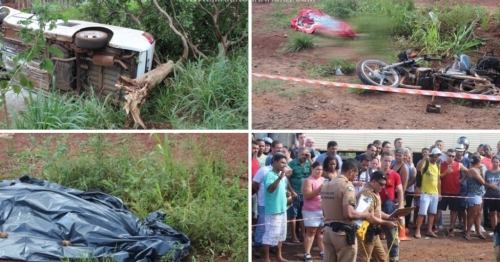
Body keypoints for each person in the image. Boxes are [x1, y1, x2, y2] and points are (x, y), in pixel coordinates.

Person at [321, 159, 373, 262]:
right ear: (351, 171)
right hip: (342, 233)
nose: (355, 178)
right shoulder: (347, 186)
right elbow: (348, 213)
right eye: (356, 175)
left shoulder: (327, 185)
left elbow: (324, 211)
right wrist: (364, 215)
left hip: (327, 231)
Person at [356, 171, 398, 262]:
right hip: (366, 231)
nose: (383, 187)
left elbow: (377, 212)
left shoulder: (375, 191)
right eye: (381, 184)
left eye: (384, 185)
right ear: (374, 181)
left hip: (373, 232)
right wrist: (386, 223)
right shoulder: (367, 194)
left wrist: (390, 217)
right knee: (363, 258)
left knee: (381, 259)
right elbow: (369, 217)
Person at [262, 154, 292, 262]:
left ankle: (279, 257)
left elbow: (278, 190)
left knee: (280, 235)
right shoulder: (269, 175)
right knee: (269, 235)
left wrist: (286, 193)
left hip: (282, 209)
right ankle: (266, 259)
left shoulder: (281, 176)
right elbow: (270, 189)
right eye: (282, 162)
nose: (284, 165)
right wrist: (280, 177)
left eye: (285, 163)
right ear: (274, 162)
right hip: (273, 211)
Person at [437, 149, 468, 237]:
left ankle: (451, 228)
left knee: (453, 211)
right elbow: (437, 177)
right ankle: (436, 226)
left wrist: (462, 180)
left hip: (455, 191)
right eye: (450, 155)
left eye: (453, 156)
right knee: (438, 210)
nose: (451, 158)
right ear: (446, 155)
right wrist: (445, 173)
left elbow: (467, 171)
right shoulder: (441, 164)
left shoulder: (459, 165)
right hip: (443, 191)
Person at [379, 152, 403, 262]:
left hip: (389, 207)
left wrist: (401, 207)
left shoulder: (395, 175)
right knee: (373, 234)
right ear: (381, 161)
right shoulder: (375, 174)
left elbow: (400, 190)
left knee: (392, 234)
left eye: (390, 161)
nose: (387, 163)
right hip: (377, 206)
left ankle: (394, 259)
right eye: (385, 160)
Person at [464, 155, 494, 241]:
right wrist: (491, 185)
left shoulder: (474, 169)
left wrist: (481, 171)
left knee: (478, 214)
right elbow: (482, 182)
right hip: (474, 195)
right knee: (473, 214)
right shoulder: (473, 170)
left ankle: (478, 232)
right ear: (478, 162)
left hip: (478, 194)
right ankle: (468, 232)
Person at [415, 148, 442, 239]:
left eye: (438, 155)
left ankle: (429, 230)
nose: (437, 157)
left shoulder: (437, 166)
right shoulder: (426, 163)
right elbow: (418, 168)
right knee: (422, 212)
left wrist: (439, 193)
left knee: (432, 213)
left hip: (434, 193)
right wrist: (424, 158)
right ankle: (418, 230)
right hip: (425, 192)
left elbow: (438, 180)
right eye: (436, 155)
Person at [288, 147, 312, 243]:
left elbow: (316, 171)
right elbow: (287, 179)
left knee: (302, 215)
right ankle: (294, 236)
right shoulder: (291, 164)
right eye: (302, 154)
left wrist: (310, 159)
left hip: (305, 194)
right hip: (295, 193)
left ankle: (303, 235)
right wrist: (292, 191)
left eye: (306, 154)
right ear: (298, 154)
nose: (304, 156)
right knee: (293, 215)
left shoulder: (308, 163)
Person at [301, 162, 325, 261]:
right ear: (312, 169)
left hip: (322, 210)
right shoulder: (308, 181)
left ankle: (322, 251)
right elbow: (306, 196)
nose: (319, 171)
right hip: (310, 210)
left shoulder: (323, 179)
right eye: (317, 169)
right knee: (311, 232)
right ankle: (307, 253)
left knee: (321, 232)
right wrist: (318, 190)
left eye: (321, 170)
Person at [484, 156, 500, 231]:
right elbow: (484, 183)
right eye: (494, 162)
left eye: (497, 162)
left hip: (499, 196)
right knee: (492, 213)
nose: (495, 163)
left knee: (499, 214)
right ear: (492, 162)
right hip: (490, 195)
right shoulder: (487, 172)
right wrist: (490, 185)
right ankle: (495, 230)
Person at [403, 147, 416, 231]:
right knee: (400, 208)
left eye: (408, 156)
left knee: (407, 208)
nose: (406, 157)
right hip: (401, 190)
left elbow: (413, 180)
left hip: (408, 191)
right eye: (405, 155)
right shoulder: (398, 164)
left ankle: (406, 226)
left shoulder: (411, 166)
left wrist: (404, 187)